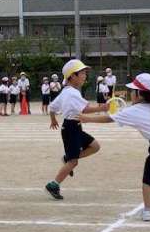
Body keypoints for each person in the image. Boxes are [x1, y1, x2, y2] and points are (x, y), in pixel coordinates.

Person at [79, 73, 150, 221]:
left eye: (133, 90)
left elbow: (109, 118)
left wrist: (87, 119)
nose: (131, 93)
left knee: (148, 181)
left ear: (140, 94)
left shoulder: (135, 110)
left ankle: (147, 212)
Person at [45, 59, 106, 200]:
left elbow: (52, 107)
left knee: (95, 146)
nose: (85, 75)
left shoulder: (66, 91)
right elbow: (85, 109)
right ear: (72, 76)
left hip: (74, 127)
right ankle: (53, 184)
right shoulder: (72, 93)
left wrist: (53, 119)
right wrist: (102, 107)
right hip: (71, 128)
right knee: (73, 162)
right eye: (82, 73)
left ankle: (67, 158)